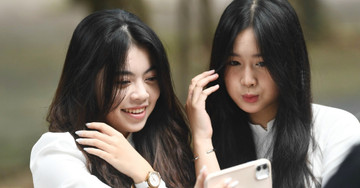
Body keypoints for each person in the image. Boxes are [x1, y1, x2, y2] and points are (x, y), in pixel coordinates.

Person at [186, 0, 360, 187]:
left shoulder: (336, 129)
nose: (247, 80)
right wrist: (202, 139)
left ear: (288, 62)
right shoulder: (210, 141)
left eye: (261, 63)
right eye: (234, 63)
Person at [30, 9, 196, 188]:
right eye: (123, 82)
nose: (142, 94)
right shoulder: (58, 153)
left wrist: (202, 137)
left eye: (151, 79)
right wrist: (147, 177)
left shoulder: (163, 141)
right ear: (86, 81)